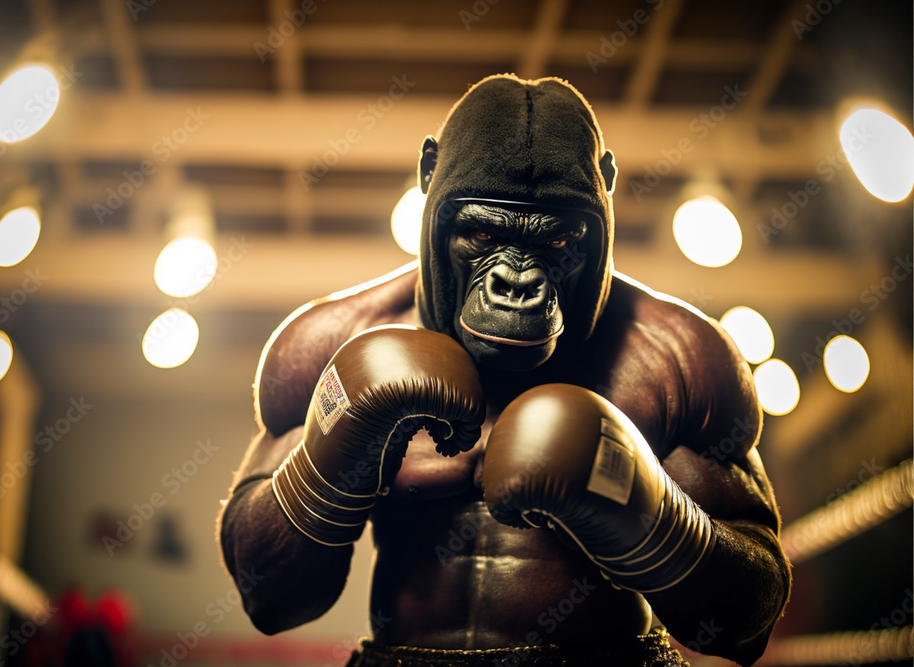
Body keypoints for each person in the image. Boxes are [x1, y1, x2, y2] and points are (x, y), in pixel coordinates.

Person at [217, 74, 791, 667]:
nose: (516, 280)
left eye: (557, 243)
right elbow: (270, 600)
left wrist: (652, 519)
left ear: (605, 193)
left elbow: (745, 626)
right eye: (481, 233)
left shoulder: (675, 358)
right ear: (429, 176)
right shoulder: (334, 342)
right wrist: (324, 471)